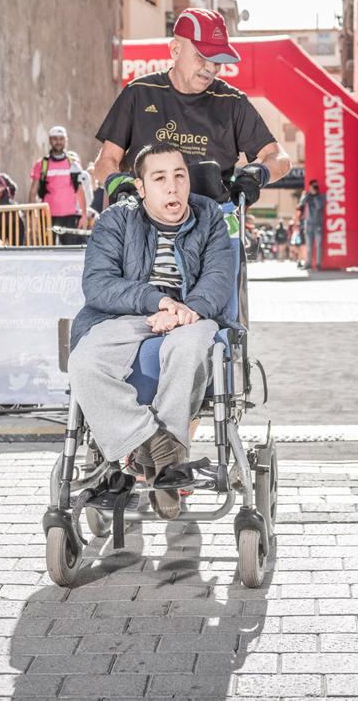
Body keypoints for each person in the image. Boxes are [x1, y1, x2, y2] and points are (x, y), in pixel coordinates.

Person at [67, 142, 235, 519]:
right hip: (128, 314)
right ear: (140, 187)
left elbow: (219, 279)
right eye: (159, 179)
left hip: (191, 316)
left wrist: (183, 311)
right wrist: (156, 302)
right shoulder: (115, 220)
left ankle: (156, 458)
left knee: (188, 350)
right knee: (84, 363)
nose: (173, 188)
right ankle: (162, 455)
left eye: (180, 176)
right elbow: (97, 283)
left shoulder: (210, 219)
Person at [89, 7, 291, 209]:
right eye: (202, 57)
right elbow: (106, 160)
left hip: (213, 223)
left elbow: (280, 158)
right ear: (176, 50)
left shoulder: (232, 102)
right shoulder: (139, 93)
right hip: (144, 219)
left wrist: (258, 174)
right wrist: (117, 182)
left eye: (217, 60)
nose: (211, 68)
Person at [31, 126, 90, 246]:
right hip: (47, 215)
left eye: (61, 139)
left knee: (69, 252)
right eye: (55, 139)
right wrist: (33, 215)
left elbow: (79, 190)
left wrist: (84, 215)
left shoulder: (73, 163)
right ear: (49, 140)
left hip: (69, 215)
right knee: (47, 252)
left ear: (66, 140)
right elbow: (33, 192)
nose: (58, 142)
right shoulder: (41, 164)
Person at [297, 180, 326, 272]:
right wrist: (307, 194)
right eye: (312, 186)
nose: (313, 188)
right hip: (308, 224)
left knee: (318, 245)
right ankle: (308, 263)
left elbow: (319, 206)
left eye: (314, 186)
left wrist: (315, 195)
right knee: (309, 245)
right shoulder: (308, 196)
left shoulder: (321, 197)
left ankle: (318, 264)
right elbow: (301, 204)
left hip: (318, 225)